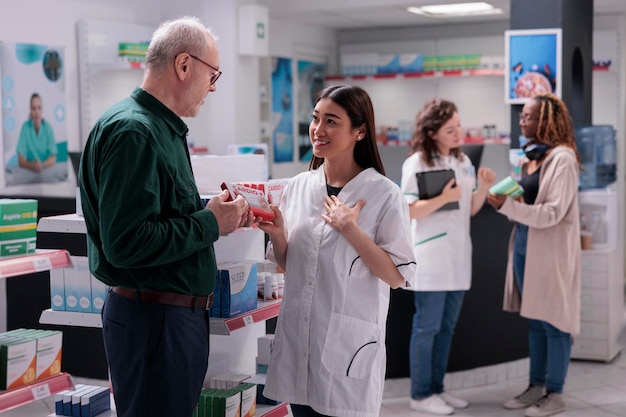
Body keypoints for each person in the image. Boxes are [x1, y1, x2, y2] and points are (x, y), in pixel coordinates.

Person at [78, 16, 256, 417]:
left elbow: (159, 213)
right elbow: (126, 243)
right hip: (155, 323)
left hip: (167, 320)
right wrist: (211, 224)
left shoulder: (159, 129)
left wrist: (214, 211)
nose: (213, 87)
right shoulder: (134, 132)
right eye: (214, 74)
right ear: (184, 65)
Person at [258, 84, 417, 417]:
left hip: (348, 349)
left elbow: (397, 276)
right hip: (300, 341)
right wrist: (278, 235)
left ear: (359, 131)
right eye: (316, 119)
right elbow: (292, 263)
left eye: (332, 121)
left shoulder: (384, 195)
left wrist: (350, 229)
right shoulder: (300, 186)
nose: (318, 129)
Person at [400, 98, 496, 415]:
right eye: (450, 129)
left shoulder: (463, 160)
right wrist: (443, 198)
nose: (458, 133)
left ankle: (438, 389)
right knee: (427, 328)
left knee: (446, 328)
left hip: (458, 256)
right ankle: (420, 393)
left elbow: (470, 208)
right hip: (431, 256)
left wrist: (483, 187)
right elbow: (409, 210)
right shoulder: (417, 163)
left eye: (459, 126)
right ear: (432, 132)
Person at [487, 93, 581, 417]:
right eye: (522, 116)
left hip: (550, 251)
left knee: (555, 322)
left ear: (546, 120)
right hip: (526, 245)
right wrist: (500, 193)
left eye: (527, 116)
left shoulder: (563, 159)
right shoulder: (531, 157)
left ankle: (555, 392)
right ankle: (535, 387)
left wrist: (508, 206)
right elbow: (527, 202)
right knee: (537, 322)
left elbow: (553, 212)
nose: (521, 121)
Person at [16, 93, 58, 172]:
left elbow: (53, 157)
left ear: (42, 109)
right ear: (30, 110)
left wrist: (42, 165)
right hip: (29, 173)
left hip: (46, 171)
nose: (37, 112)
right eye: (34, 108)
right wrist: (32, 165)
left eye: (39, 108)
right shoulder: (25, 128)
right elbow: (20, 160)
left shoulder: (48, 128)